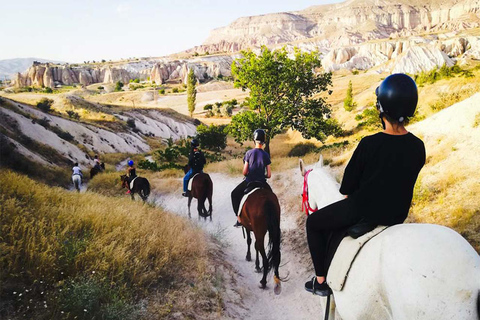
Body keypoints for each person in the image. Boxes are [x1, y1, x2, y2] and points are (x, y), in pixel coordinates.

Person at [304, 73, 426, 296]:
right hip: (397, 215)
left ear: (381, 109)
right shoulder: (418, 147)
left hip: (363, 212)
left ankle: (320, 281)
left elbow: (347, 189)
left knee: (313, 222)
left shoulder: (369, 144)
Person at [231, 129, 272, 227]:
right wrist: (263, 175)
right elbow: (269, 175)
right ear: (263, 141)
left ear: (254, 140)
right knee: (272, 198)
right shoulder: (266, 155)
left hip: (250, 181)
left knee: (234, 194)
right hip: (262, 182)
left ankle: (239, 219)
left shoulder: (249, 153)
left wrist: (250, 173)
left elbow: (245, 172)